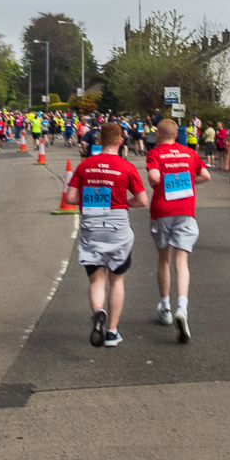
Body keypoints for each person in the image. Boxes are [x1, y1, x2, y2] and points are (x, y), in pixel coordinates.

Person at [65, 122, 148, 348]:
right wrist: (123, 204)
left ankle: (98, 311)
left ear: (99, 140)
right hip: (118, 228)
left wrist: (92, 203)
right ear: (121, 141)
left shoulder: (85, 166)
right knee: (117, 279)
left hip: (92, 228)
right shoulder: (126, 166)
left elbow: (70, 199)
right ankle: (111, 331)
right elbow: (142, 200)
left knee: (97, 279)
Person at [145, 118, 211, 343]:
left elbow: (154, 177)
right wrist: (187, 180)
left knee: (163, 260)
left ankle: (165, 307)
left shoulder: (155, 153)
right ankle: (182, 307)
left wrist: (159, 181)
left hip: (162, 210)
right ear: (176, 134)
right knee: (181, 263)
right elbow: (206, 175)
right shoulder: (189, 153)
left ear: (158, 134)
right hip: (185, 210)